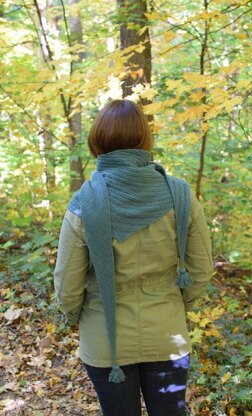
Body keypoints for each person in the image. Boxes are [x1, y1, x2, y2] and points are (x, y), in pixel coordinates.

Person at [54, 99, 213, 416]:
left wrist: (73, 316)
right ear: (144, 139)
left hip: (105, 341)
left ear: (98, 140)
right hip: (167, 334)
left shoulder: (84, 202)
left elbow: (67, 284)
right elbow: (202, 270)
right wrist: (179, 305)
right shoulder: (179, 194)